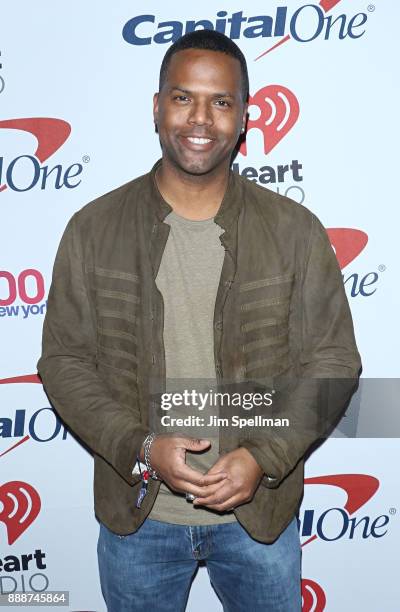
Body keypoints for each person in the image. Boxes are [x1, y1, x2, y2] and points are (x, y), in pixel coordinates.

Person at [37, 30, 361, 612]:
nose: (201, 119)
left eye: (221, 101)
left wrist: (264, 454)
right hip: (138, 517)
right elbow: (63, 362)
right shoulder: (93, 228)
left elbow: (333, 362)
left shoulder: (294, 231)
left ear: (244, 117)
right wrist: (140, 447)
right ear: (157, 107)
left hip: (258, 518)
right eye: (184, 98)